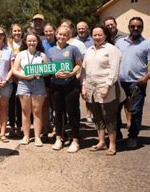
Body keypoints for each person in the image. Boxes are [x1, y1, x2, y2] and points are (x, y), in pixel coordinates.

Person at [81, 25, 121, 156]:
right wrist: (83, 86)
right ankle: (101, 142)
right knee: (97, 117)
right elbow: (84, 71)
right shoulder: (89, 50)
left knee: (109, 117)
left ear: (105, 35)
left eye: (100, 35)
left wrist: (107, 86)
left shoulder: (111, 49)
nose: (97, 37)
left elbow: (114, 70)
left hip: (106, 88)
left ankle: (112, 144)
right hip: (91, 89)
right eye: (94, 35)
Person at [115, 17, 149, 149]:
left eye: (139, 26)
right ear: (129, 27)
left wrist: (146, 78)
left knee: (135, 111)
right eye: (133, 26)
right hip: (119, 82)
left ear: (142, 28)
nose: (136, 28)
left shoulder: (146, 44)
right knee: (115, 109)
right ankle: (117, 134)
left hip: (137, 83)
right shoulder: (119, 42)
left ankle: (133, 136)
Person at [48, 26, 83, 153]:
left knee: (73, 113)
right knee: (58, 113)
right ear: (56, 34)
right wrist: (54, 72)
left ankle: (75, 140)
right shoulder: (51, 51)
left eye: (65, 35)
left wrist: (70, 74)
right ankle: (59, 138)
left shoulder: (73, 49)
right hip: (56, 85)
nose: (62, 37)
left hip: (71, 85)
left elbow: (79, 65)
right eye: (60, 34)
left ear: (68, 37)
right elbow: (49, 67)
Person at [12, 32, 48, 146]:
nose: (32, 43)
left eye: (34, 41)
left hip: (38, 84)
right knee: (25, 111)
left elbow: (48, 71)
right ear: (25, 42)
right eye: (29, 41)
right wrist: (23, 76)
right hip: (24, 84)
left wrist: (39, 73)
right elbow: (15, 70)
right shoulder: (21, 54)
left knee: (37, 111)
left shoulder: (42, 55)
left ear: (37, 42)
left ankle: (37, 137)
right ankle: (26, 136)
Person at [8, 23, 23, 138]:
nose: (17, 33)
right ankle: (12, 127)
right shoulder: (8, 44)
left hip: (23, 78)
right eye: (15, 31)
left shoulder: (25, 43)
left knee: (21, 105)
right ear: (11, 32)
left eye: (19, 31)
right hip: (10, 78)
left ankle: (19, 128)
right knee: (11, 104)